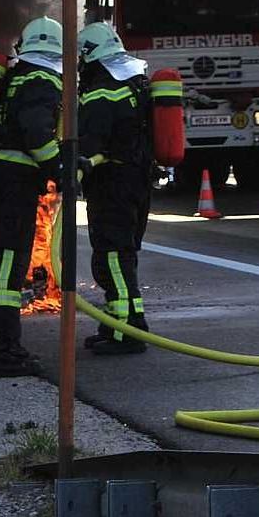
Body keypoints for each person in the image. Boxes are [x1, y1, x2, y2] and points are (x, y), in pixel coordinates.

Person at [0, 16, 63, 378]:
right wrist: (60, 170)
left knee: (4, 264)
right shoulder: (42, 79)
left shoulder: (15, 74)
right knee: (9, 266)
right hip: (13, 185)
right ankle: (1, 350)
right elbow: (37, 136)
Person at [76, 21, 153, 355]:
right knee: (124, 255)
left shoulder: (101, 93)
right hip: (137, 179)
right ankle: (116, 325)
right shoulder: (137, 84)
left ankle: (128, 332)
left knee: (112, 257)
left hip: (112, 186)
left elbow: (88, 144)